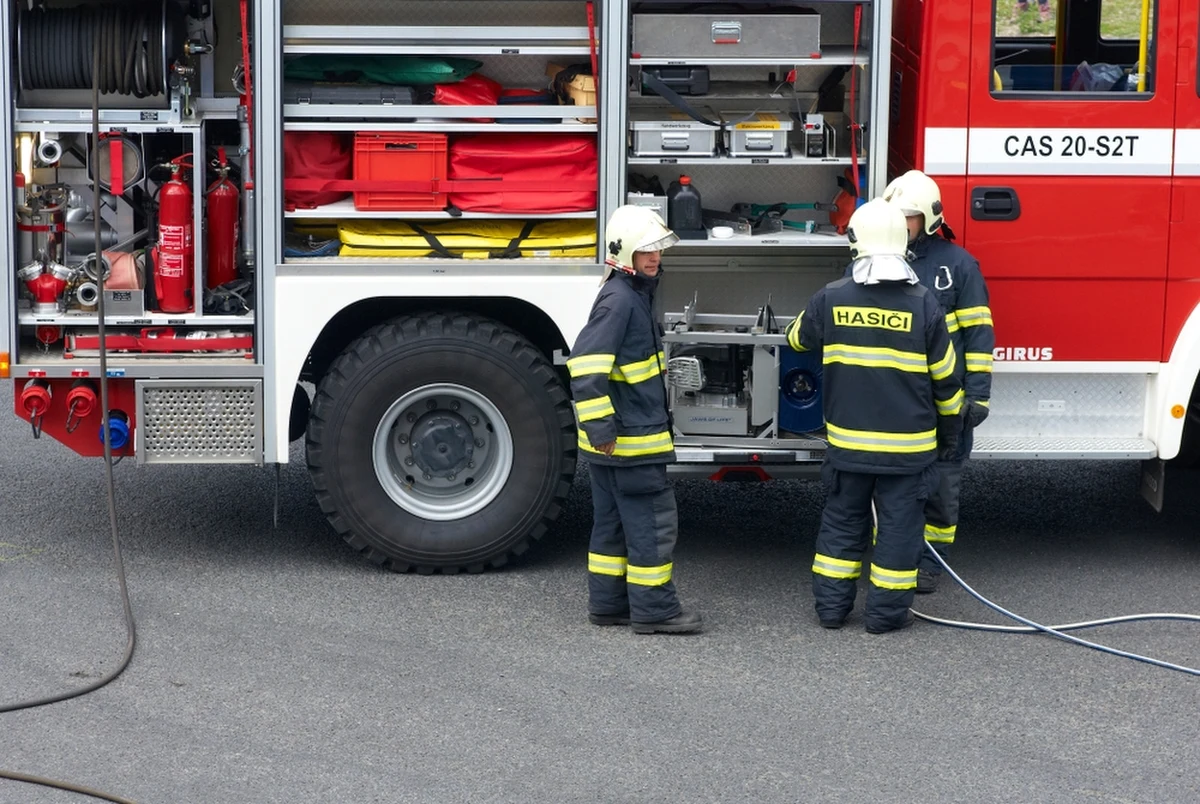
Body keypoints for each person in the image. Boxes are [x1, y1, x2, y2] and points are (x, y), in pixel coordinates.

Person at [787, 198, 964, 633]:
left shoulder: (831, 297)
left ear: (856, 243)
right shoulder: (924, 304)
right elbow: (947, 382)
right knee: (900, 532)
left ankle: (831, 612)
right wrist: (951, 437)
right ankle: (884, 618)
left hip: (849, 448)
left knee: (841, 526)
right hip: (908, 454)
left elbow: (797, 340)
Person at [567, 204, 703, 635]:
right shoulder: (622, 300)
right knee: (651, 528)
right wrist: (603, 427)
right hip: (631, 443)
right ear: (624, 252)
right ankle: (655, 611)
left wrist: (602, 432)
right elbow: (586, 365)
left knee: (611, 530)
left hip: (616, 445)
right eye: (646, 250)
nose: (655, 257)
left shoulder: (626, 294)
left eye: (658, 249)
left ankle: (608, 606)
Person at [880, 169, 995, 593]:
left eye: (907, 216)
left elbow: (978, 333)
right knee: (894, 485)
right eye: (893, 215)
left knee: (942, 487)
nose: (899, 224)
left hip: (946, 397)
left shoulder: (959, 265)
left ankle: (931, 563)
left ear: (928, 218)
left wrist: (978, 395)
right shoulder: (873, 261)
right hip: (896, 396)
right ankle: (893, 557)